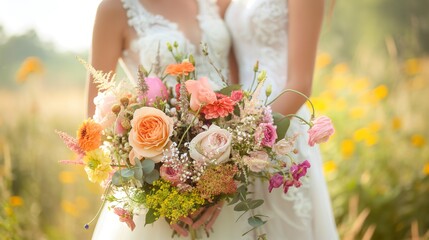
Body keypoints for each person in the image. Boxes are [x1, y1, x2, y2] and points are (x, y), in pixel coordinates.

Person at [86, 0, 245, 239]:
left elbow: (238, 90)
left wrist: (223, 182)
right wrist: (160, 197)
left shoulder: (219, 3)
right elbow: (94, 121)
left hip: (229, 174)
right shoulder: (114, 9)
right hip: (160, 192)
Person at [225, 0, 339, 239]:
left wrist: (250, 140)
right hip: (239, 124)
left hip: (283, 124)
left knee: (284, 226)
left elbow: (301, 83)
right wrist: (230, 132)